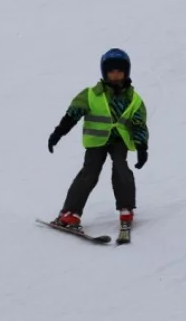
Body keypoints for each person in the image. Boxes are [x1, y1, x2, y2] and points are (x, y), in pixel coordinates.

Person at [48, 48, 149, 244]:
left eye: (119, 71)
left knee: (121, 168)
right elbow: (72, 114)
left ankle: (126, 209)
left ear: (126, 72)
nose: (115, 75)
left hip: (119, 140)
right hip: (96, 142)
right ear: (105, 73)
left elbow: (139, 124)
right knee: (89, 172)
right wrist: (58, 133)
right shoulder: (91, 94)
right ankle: (70, 213)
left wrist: (142, 147)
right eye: (111, 72)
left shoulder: (134, 99)